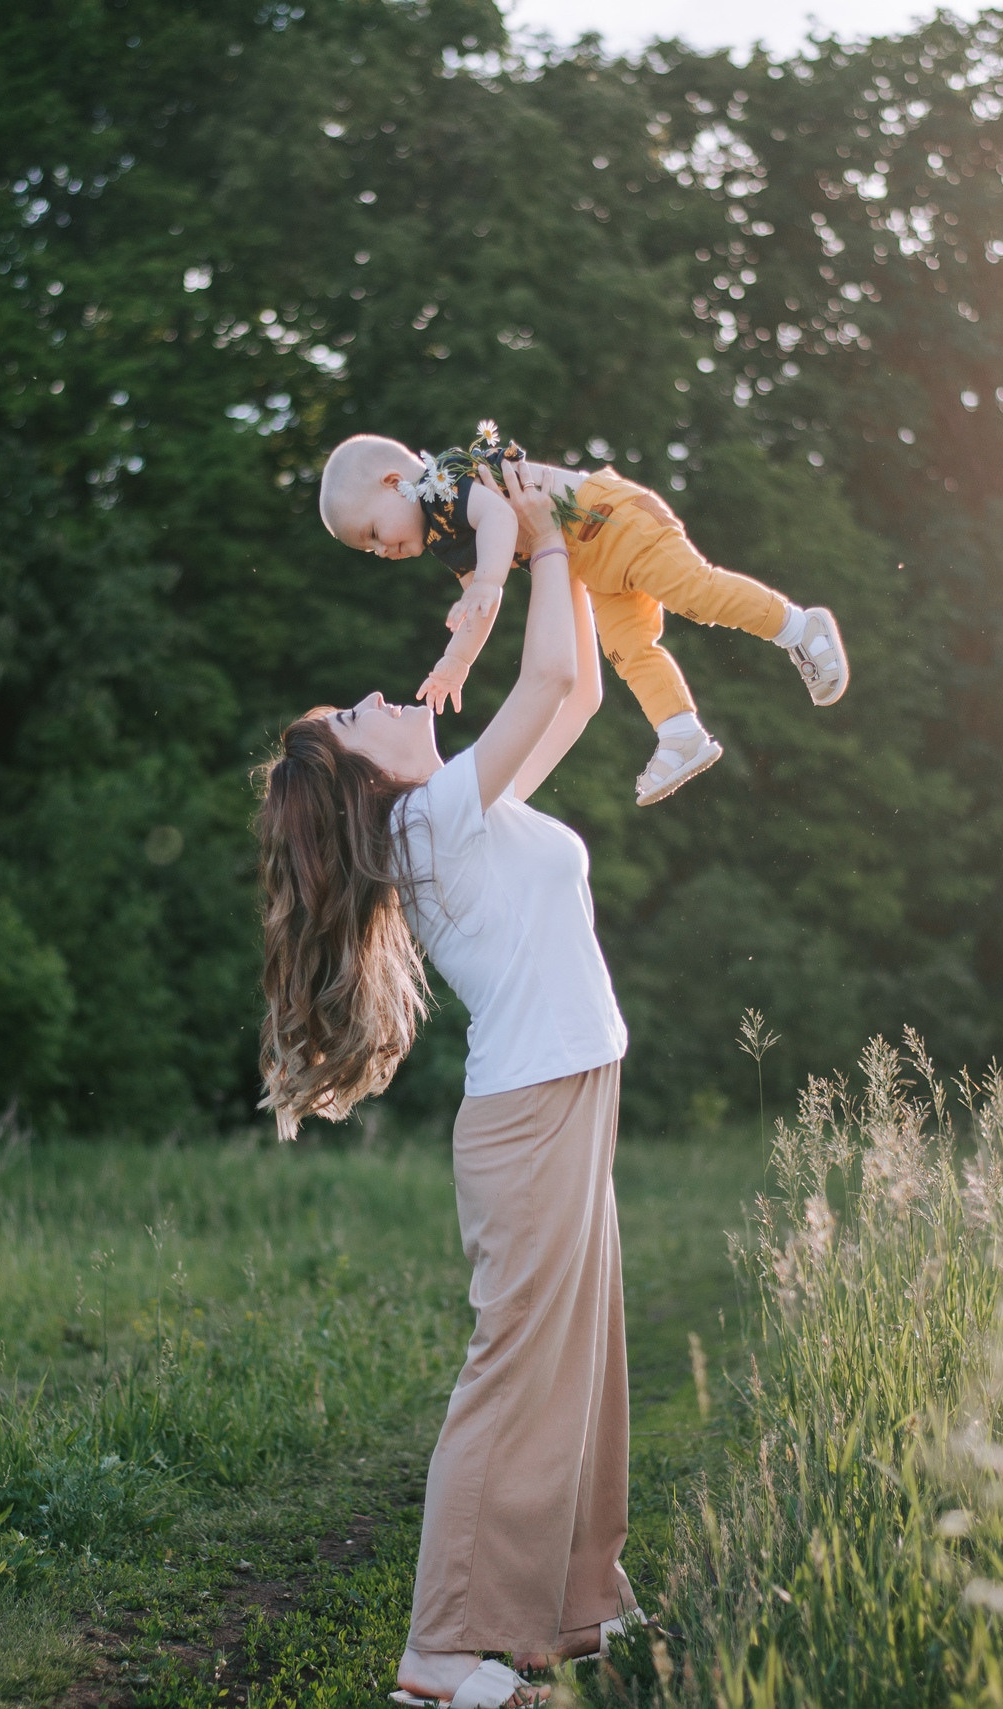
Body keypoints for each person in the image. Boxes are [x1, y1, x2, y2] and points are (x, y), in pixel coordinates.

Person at [257, 460, 646, 1709]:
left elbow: (573, 690)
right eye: (360, 714)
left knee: (582, 1362)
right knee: (513, 1367)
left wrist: (566, 542)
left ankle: (572, 1610)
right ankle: (436, 1653)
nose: (382, 697)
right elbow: (536, 680)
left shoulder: (451, 806)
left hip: (564, 1095)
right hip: (531, 1117)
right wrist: (531, 545)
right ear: (365, 775)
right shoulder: (432, 823)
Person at [316, 419, 851, 806]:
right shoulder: (443, 538)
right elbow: (483, 605)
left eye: (374, 536)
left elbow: (500, 519)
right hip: (591, 563)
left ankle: (801, 628)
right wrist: (457, 661)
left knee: (694, 593)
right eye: (371, 552)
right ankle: (680, 732)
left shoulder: (449, 486)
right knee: (628, 648)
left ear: (394, 483)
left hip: (610, 519)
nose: (383, 552)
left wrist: (485, 580)